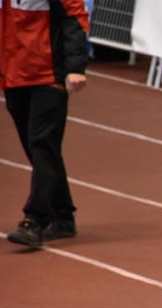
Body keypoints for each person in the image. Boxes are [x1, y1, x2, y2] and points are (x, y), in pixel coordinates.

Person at [2, 0, 89, 247]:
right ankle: (62, 216)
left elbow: (75, 16)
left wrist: (75, 67)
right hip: (13, 72)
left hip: (49, 75)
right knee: (38, 149)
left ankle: (35, 219)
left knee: (42, 144)